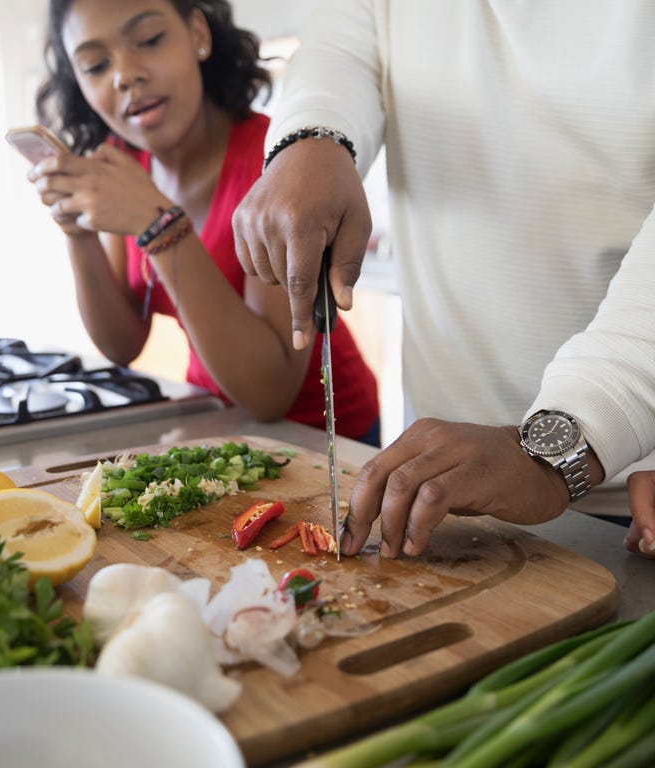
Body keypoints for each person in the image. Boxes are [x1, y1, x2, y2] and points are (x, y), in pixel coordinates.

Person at [232, 1, 655, 557]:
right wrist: (309, 140)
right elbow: (337, 53)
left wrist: (564, 445)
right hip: (440, 503)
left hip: (629, 496)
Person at [26, 0, 380, 445]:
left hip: (324, 435)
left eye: (149, 40)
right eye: (96, 65)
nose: (124, 75)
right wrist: (77, 231)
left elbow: (271, 393)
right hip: (221, 422)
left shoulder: (272, 164)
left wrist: (160, 227)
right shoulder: (128, 166)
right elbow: (123, 344)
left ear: (198, 34)